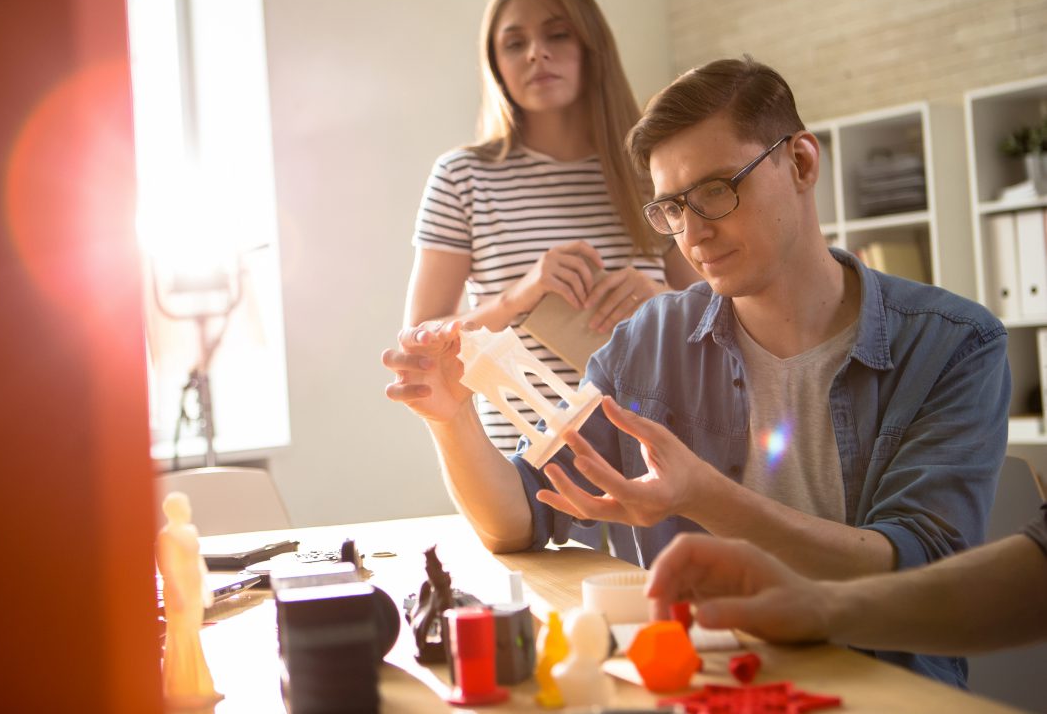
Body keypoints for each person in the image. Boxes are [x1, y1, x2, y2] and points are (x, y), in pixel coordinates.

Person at [383, 56, 1009, 686]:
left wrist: (705, 497)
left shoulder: (953, 344)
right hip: (702, 685)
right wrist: (451, 418)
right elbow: (518, 516)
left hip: (882, 690)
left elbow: (922, 572)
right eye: (673, 209)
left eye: (716, 189)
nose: (695, 233)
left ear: (801, 163)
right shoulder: (651, 341)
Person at [405, 0, 698, 454]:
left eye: (557, 34)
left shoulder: (651, 172)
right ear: (495, 65)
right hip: (517, 467)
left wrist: (661, 300)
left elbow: (728, 322)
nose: (536, 52)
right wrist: (517, 298)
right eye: (514, 44)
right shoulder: (461, 177)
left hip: (654, 455)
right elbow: (420, 344)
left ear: (591, 47)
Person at [645, 503, 1047, 655]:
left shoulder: (961, 339)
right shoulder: (645, 334)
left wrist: (702, 493)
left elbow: (922, 552)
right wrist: (819, 604)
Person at [156, 492, 222, 706]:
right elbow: (168, 570)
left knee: (192, 635)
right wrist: (176, 595)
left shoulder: (191, 531)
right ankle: (180, 689)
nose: (188, 510)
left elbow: (198, 562)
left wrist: (206, 588)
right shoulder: (166, 537)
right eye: (183, 507)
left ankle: (201, 685)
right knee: (181, 636)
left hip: (193, 589)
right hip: (179, 591)